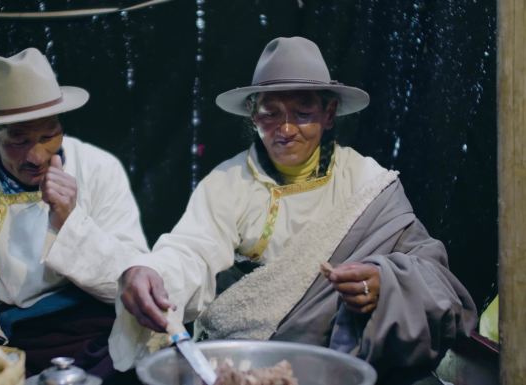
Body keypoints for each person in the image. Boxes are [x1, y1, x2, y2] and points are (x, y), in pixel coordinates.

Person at [109, 37, 477, 384]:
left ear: (329, 113)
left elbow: (432, 272)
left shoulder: (369, 183)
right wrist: (152, 273)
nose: (285, 129)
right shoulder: (226, 183)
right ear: (252, 116)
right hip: (249, 364)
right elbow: (190, 250)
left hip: (346, 364)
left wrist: (385, 282)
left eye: (302, 113)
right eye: (270, 114)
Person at [0, 47, 149, 380]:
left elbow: (131, 281)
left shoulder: (98, 168)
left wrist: (69, 222)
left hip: (106, 320)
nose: (37, 156)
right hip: (27, 336)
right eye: (18, 140)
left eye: (49, 136)